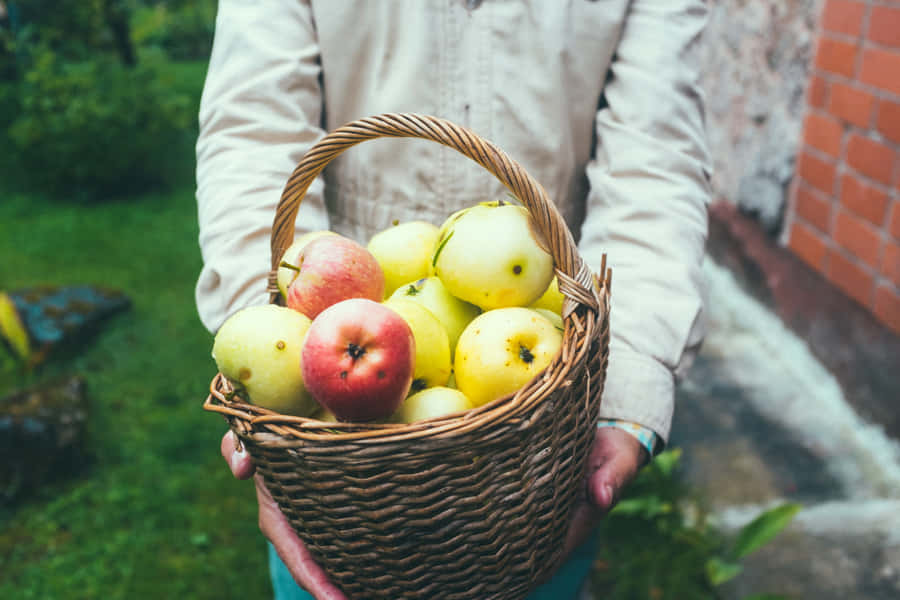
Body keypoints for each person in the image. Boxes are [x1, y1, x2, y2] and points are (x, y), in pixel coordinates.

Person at [196, 1, 712, 598]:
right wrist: (273, 414)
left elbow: (655, 161)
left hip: (544, 425)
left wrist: (620, 398)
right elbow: (253, 134)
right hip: (338, 455)